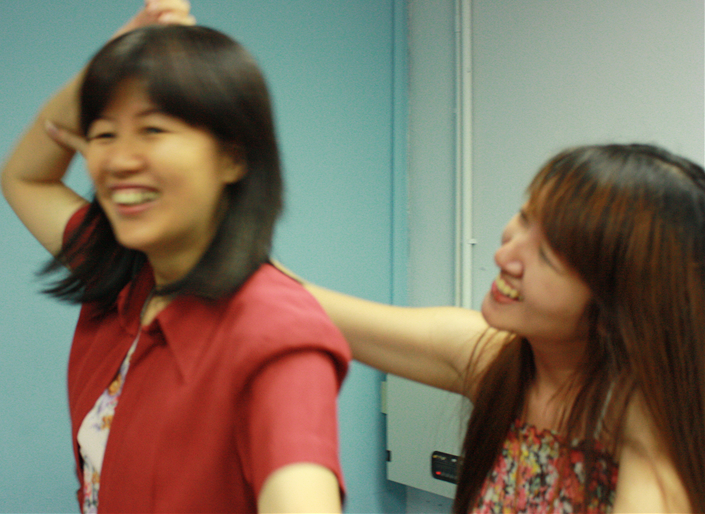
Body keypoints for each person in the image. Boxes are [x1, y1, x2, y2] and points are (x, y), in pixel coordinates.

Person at [0, 0, 348, 513]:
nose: (120, 161)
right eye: (104, 134)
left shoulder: (278, 334)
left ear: (233, 157)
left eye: (153, 130)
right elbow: (24, 175)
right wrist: (118, 54)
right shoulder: (123, 275)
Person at [291, 144, 704, 513]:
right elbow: (300, 305)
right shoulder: (499, 362)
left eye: (546, 255)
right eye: (525, 217)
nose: (505, 254)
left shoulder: (653, 424)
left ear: (613, 312)